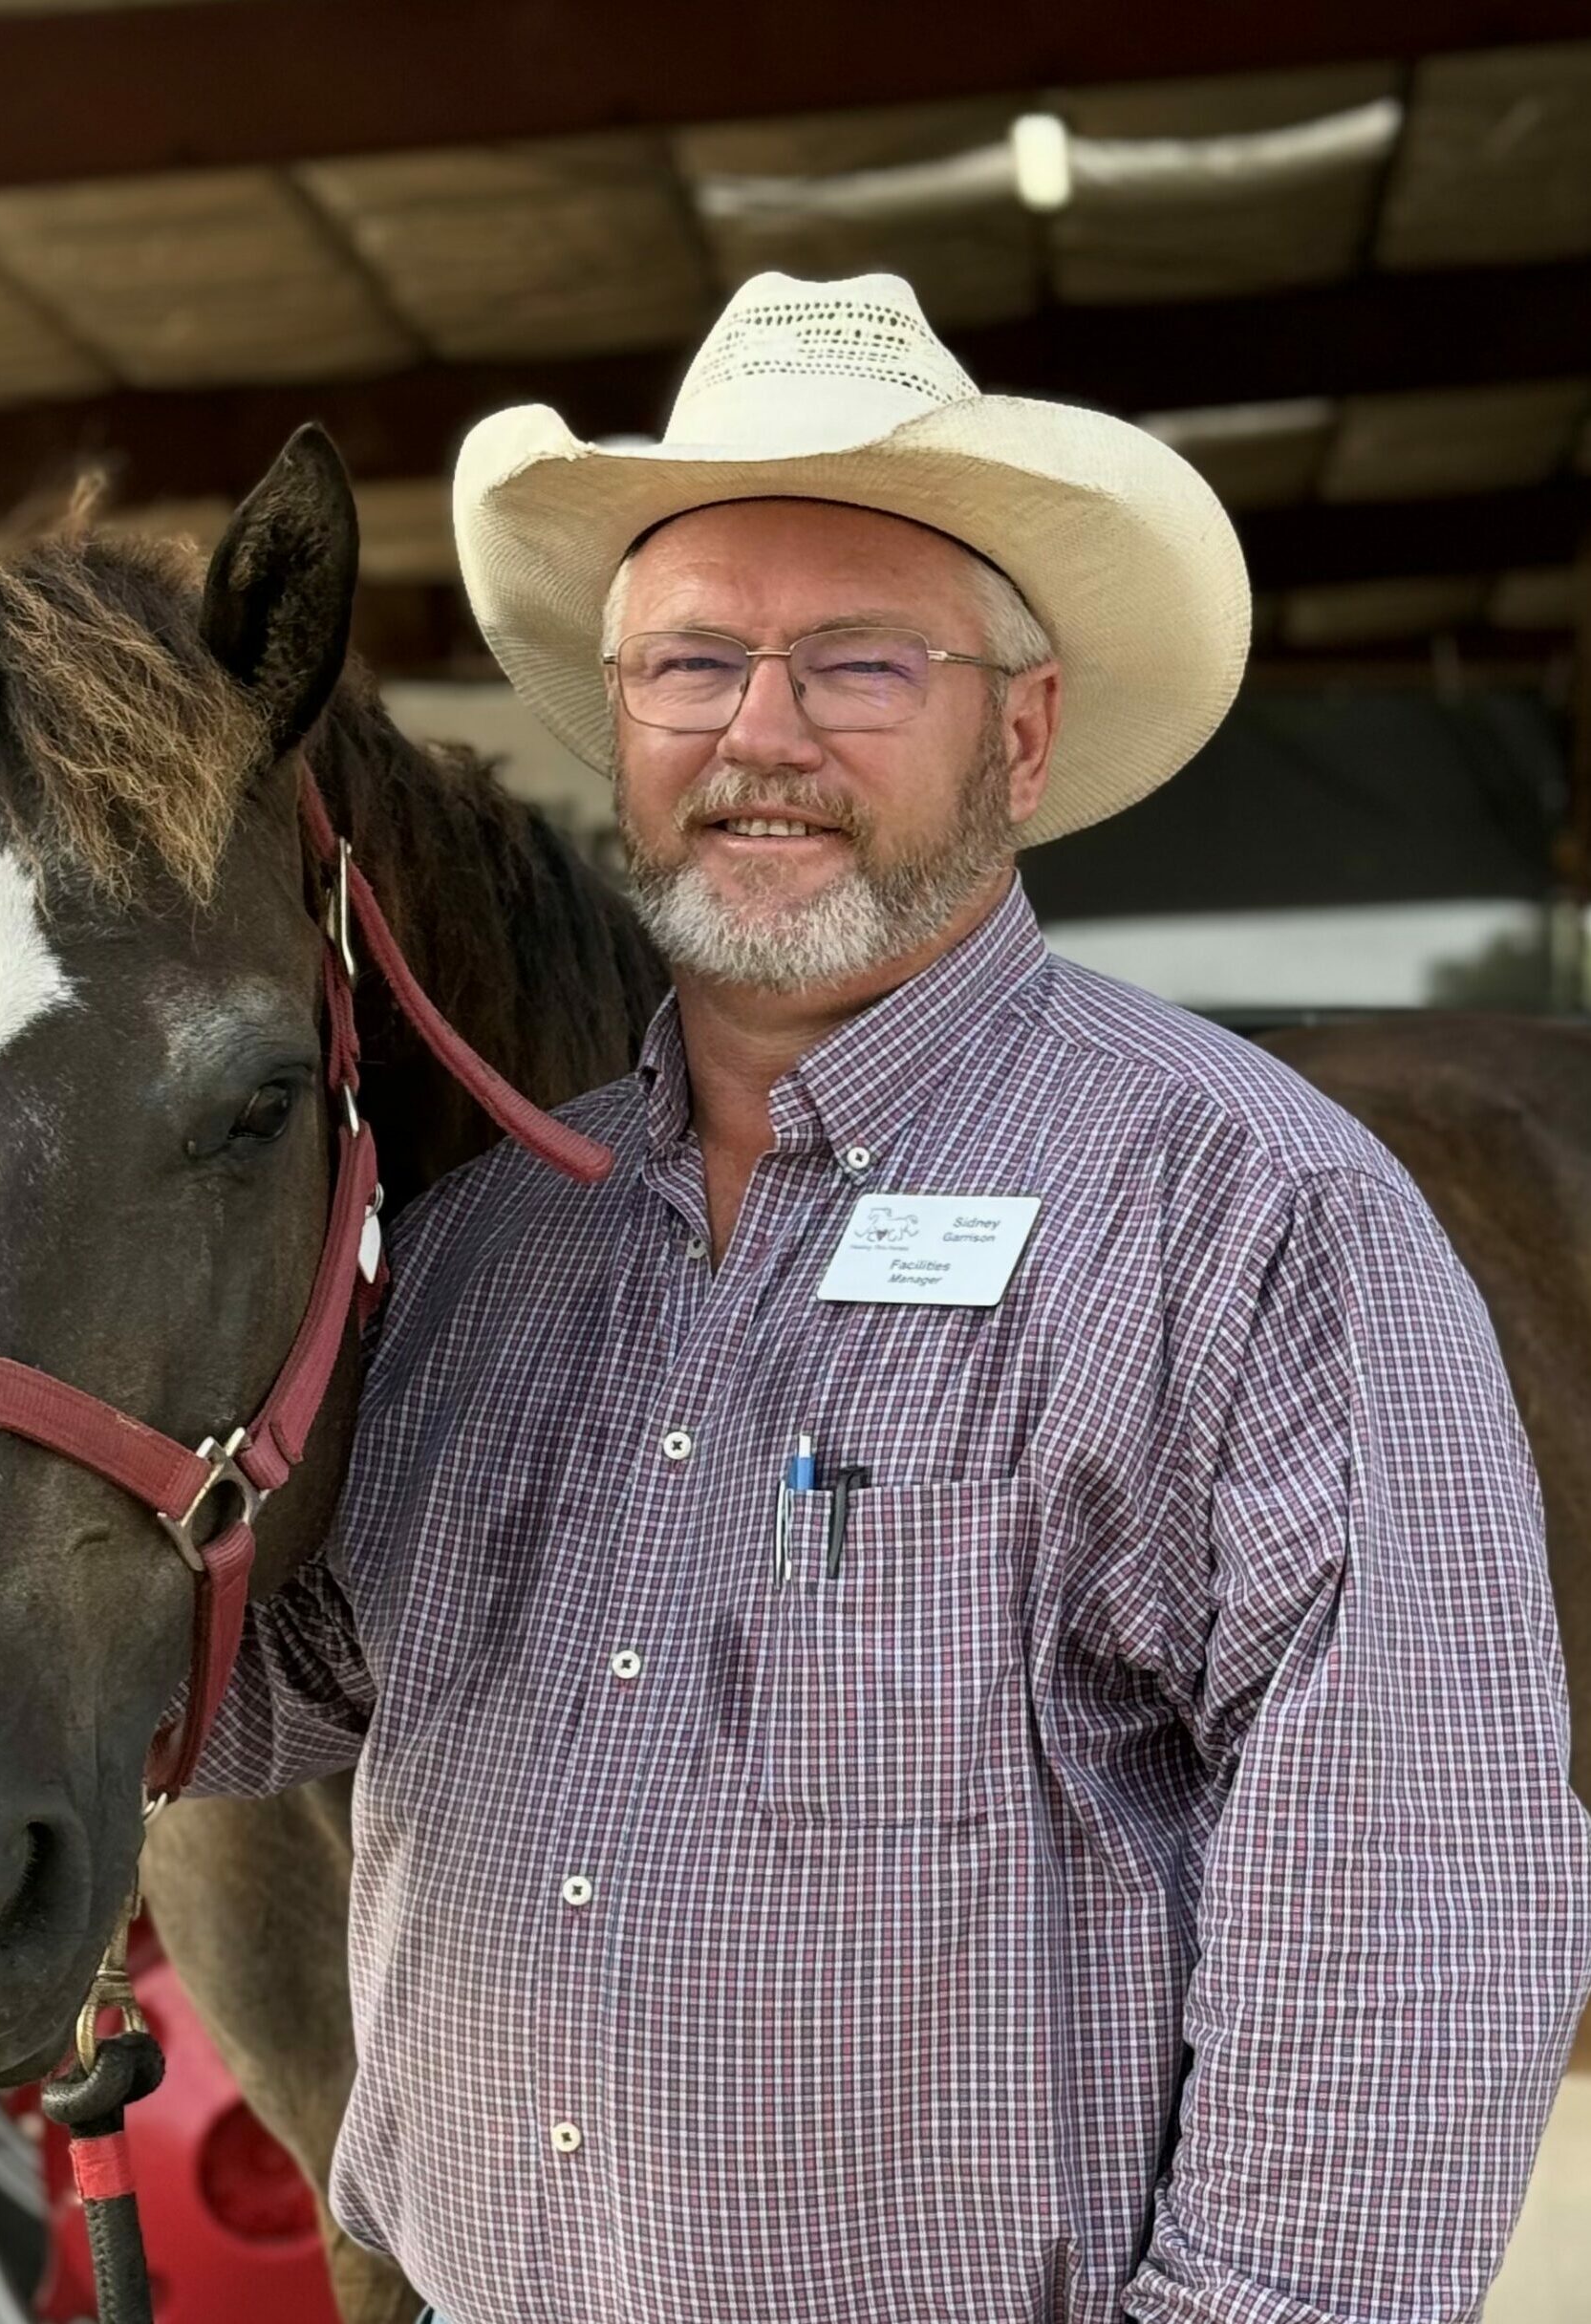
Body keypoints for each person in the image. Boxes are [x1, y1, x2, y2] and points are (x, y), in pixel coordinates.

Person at [194, 273, 1590, 2324]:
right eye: (691, 663)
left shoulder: (1254, 1224)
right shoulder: (499, 1248)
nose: (758, 734)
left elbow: (1411, 1920)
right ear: (620, 725)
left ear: (1015, 730)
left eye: (854, 662)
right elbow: (274, 1682)